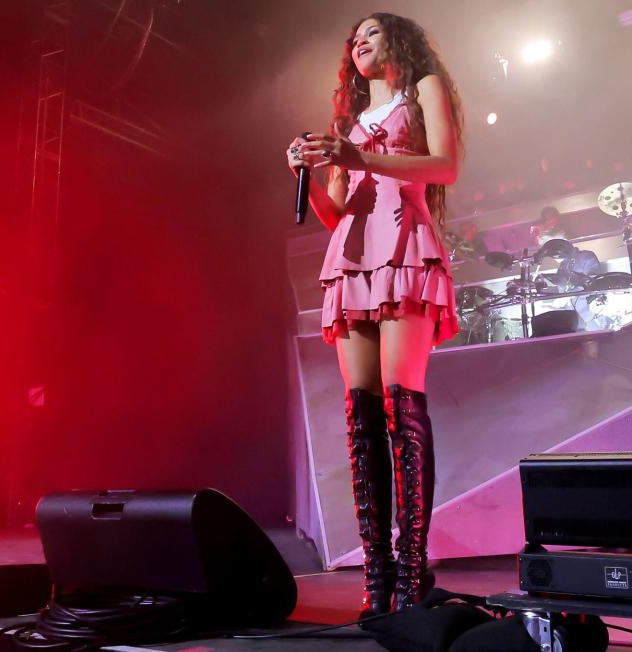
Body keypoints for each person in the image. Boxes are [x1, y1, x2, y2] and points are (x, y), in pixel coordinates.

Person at [286, 13, 463, 614]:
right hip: (352, 256)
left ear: (399, 41)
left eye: (372, 33)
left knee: (401, 404)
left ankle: (414, 573)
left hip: (404, 246)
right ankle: (378, 577)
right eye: (353, 39)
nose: (359, 43)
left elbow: (444, 166)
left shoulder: (425, 90)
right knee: (360, 417)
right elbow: (336, 213)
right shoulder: (350, 126)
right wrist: (313, 174)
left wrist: (358, 154)